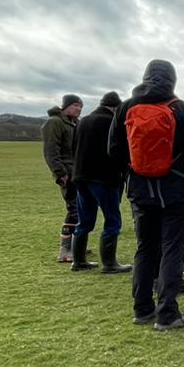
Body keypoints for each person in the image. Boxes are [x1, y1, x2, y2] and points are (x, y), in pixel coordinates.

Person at [108, 60, 184, 331]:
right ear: (172, 80)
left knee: (145, 248)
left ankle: (142, 309)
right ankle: (167, 313)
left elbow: (114, 150)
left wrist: (133, 171)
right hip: (176, 192)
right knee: (172, 248)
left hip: (140, 191)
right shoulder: (182, 109)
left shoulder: (125, 108)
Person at [70, 91, 131, 274]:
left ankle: (78, 260)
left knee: (85, 220)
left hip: (80, 176)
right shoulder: (111, 122)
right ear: (115, 107)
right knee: (112, 219)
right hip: (104, 177)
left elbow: (74, 147)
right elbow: (117, 150)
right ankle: (109, 263)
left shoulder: (84, 122)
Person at [42, 94, 82, 262]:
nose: (79, 109)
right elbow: (51, 150)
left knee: (80, 209)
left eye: (81, 106)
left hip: (78, 172)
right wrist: (60, 173)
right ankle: (65, 250)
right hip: (67, 172)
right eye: (75, 105)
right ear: (65, 107)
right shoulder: (54, 123)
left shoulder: (75, 124)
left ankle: (77, 245)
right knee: (73, 210)